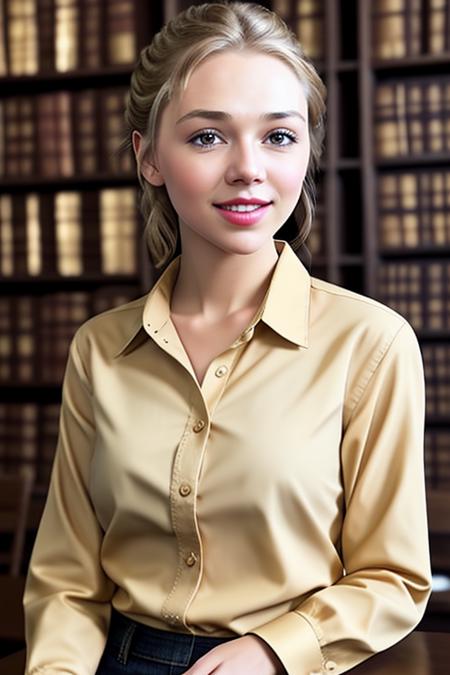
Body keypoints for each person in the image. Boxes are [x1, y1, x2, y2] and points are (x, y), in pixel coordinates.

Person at [23, 2, 432, 674]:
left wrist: (275, 649)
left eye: (278, 136)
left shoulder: (371, 343)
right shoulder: (98, 348)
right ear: (148, 156)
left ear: (306, 152)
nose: (249, 168)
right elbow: (67, 580)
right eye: (208, 137)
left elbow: (394, 578)